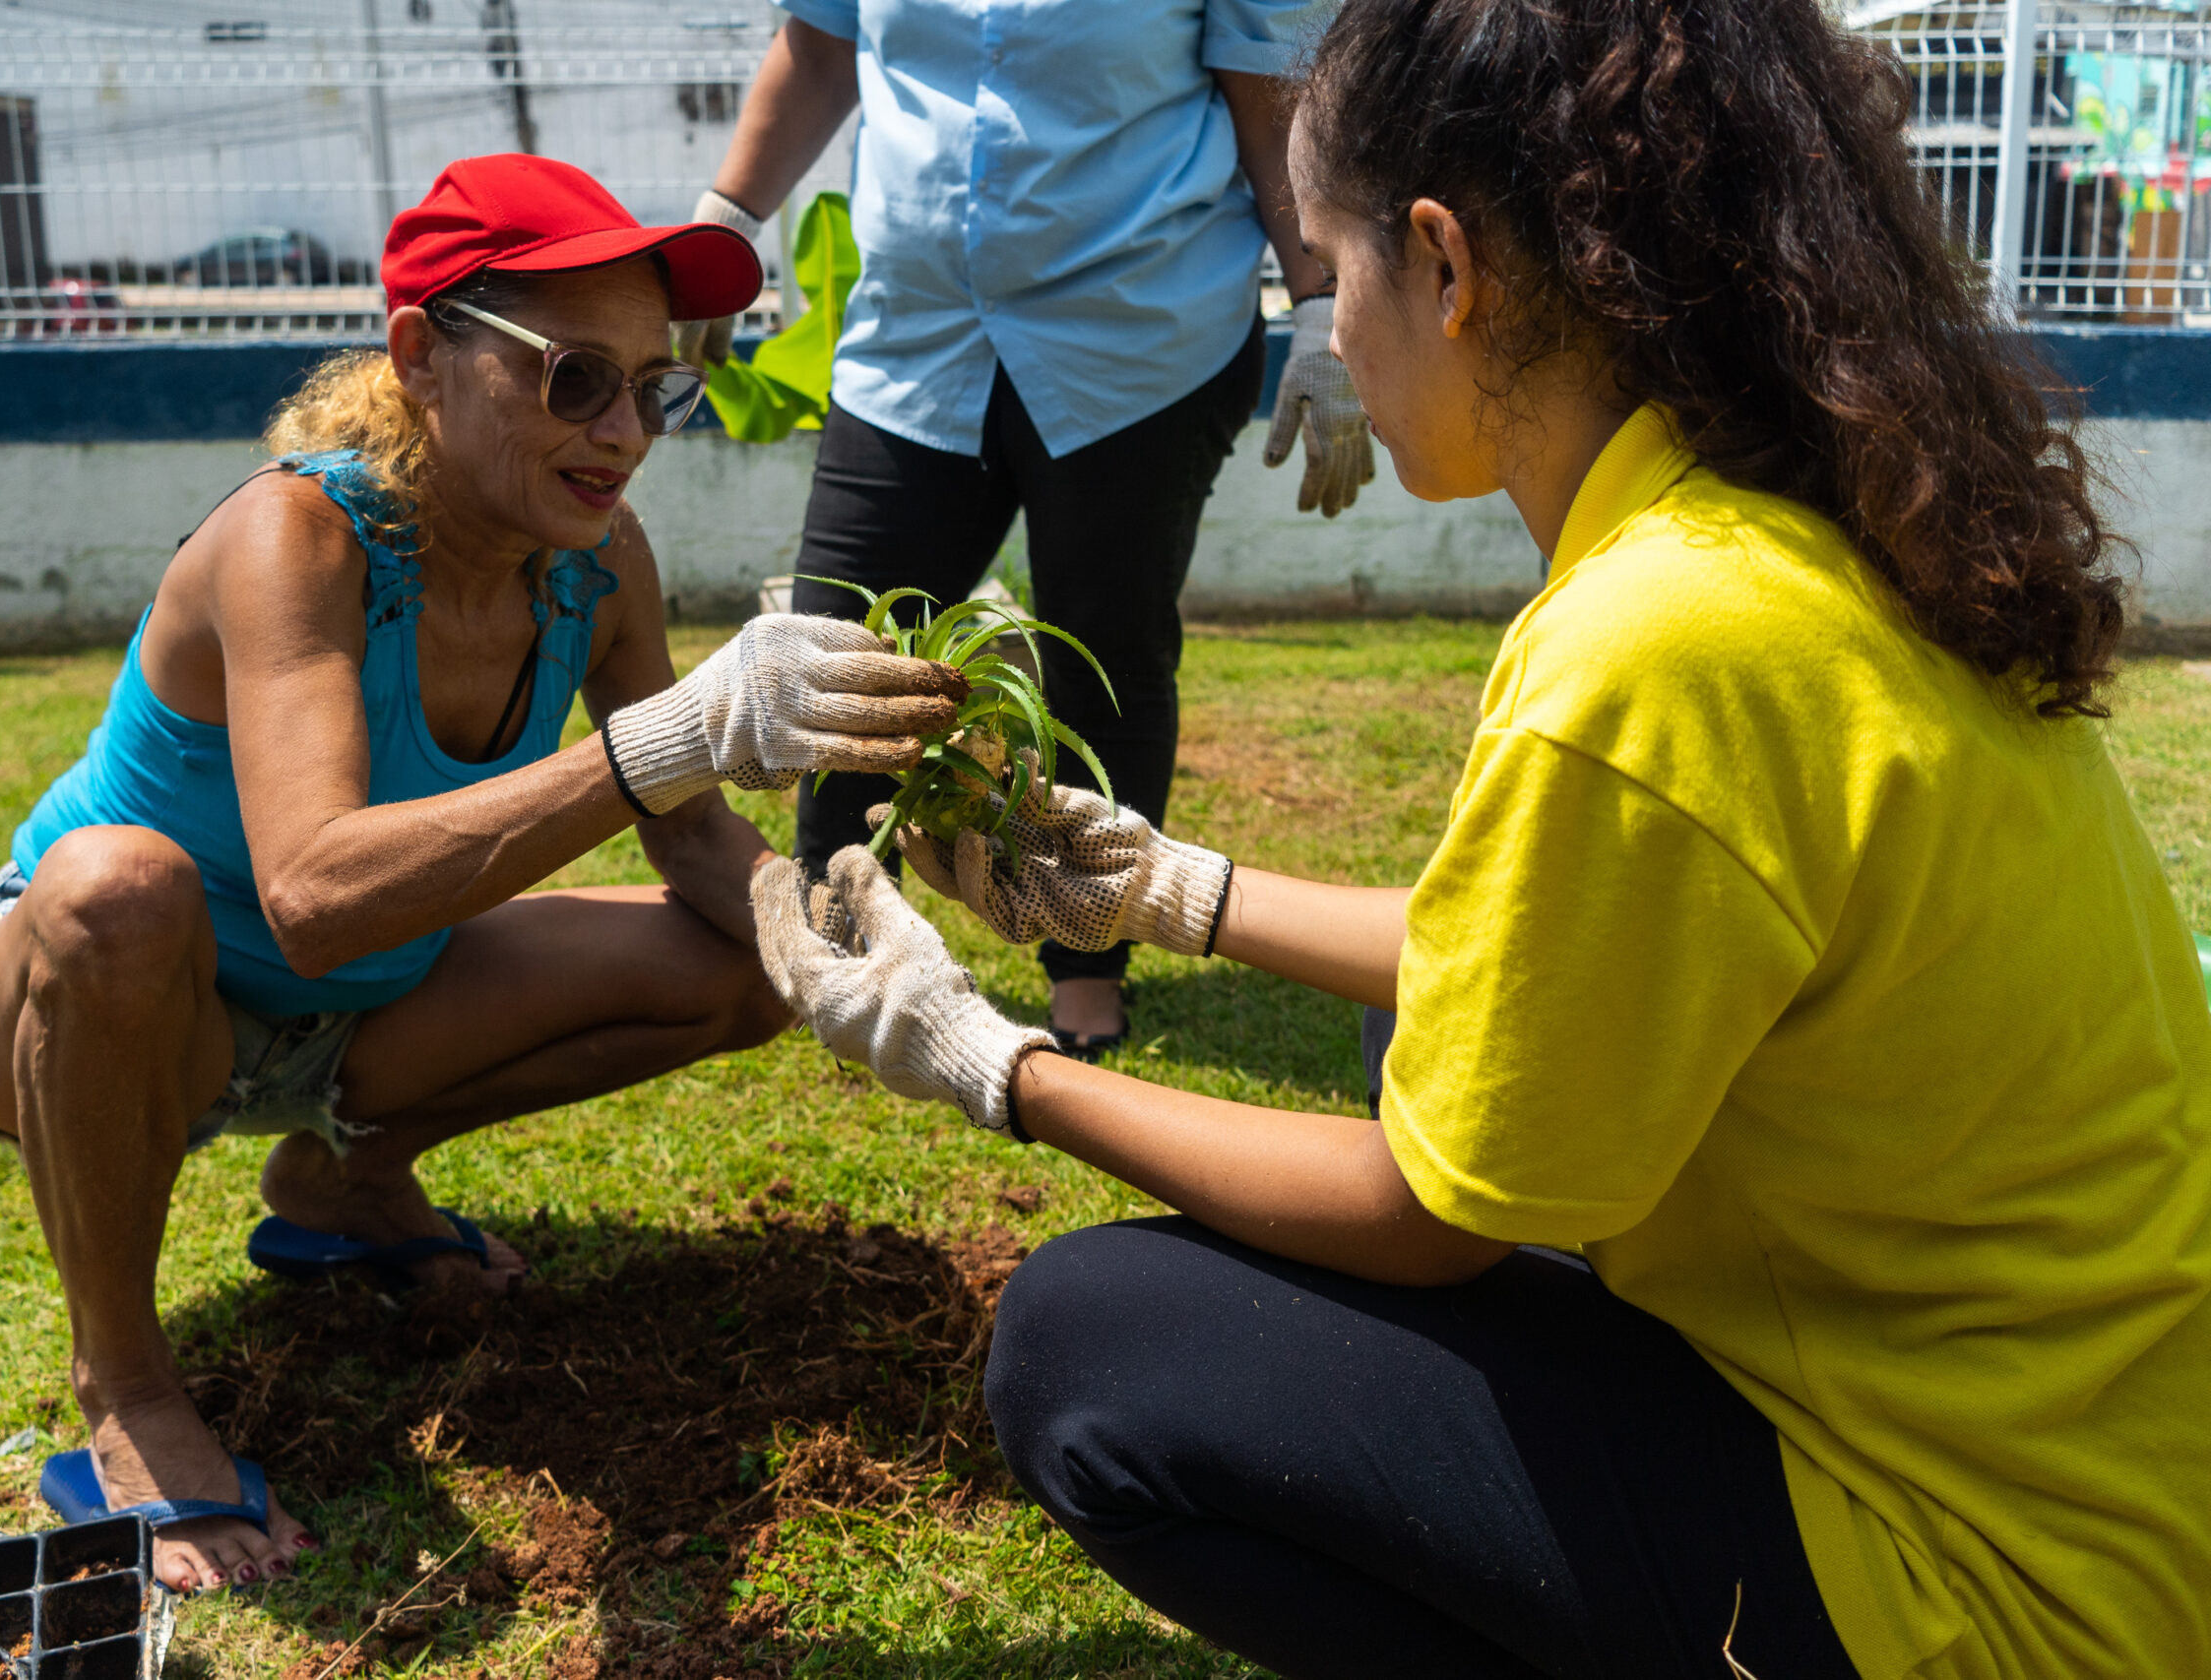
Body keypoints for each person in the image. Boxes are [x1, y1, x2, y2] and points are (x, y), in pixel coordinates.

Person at [748, 0, 2211, 1670]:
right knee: (1415, 1027)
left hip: (1972, 1579)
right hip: (2092, 1476)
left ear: (1446, 265)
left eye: (1327, 260)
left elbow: (1418, 1217)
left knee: (1090, 1349)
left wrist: (990, 1060)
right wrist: (1176, 894)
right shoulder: (1780, 536)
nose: (1333, 319)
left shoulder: (1658, 646)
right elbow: (1537, 947)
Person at [0, 156, 963, 1595]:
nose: (627, 431)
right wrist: (666, 734)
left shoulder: (597, 560)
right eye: (577, 377)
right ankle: (128, 1381)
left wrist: (827, 933)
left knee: (727, 966)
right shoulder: (300, 535)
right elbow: (315, 895)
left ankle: (344, 1177)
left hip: (359, 1013)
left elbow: (692, 833)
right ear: (420, 358)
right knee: (114, 887)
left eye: (656, 385)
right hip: (111, 1002)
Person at [675, 0, 1373, 1059]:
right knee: (845, 649)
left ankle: (1086, 963)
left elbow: (1265, 102)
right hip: (914, 336)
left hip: (1138, 334)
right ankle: (842, 945)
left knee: (1103, 653)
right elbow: (819, 56)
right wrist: (727, 212)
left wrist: (1323, 301)